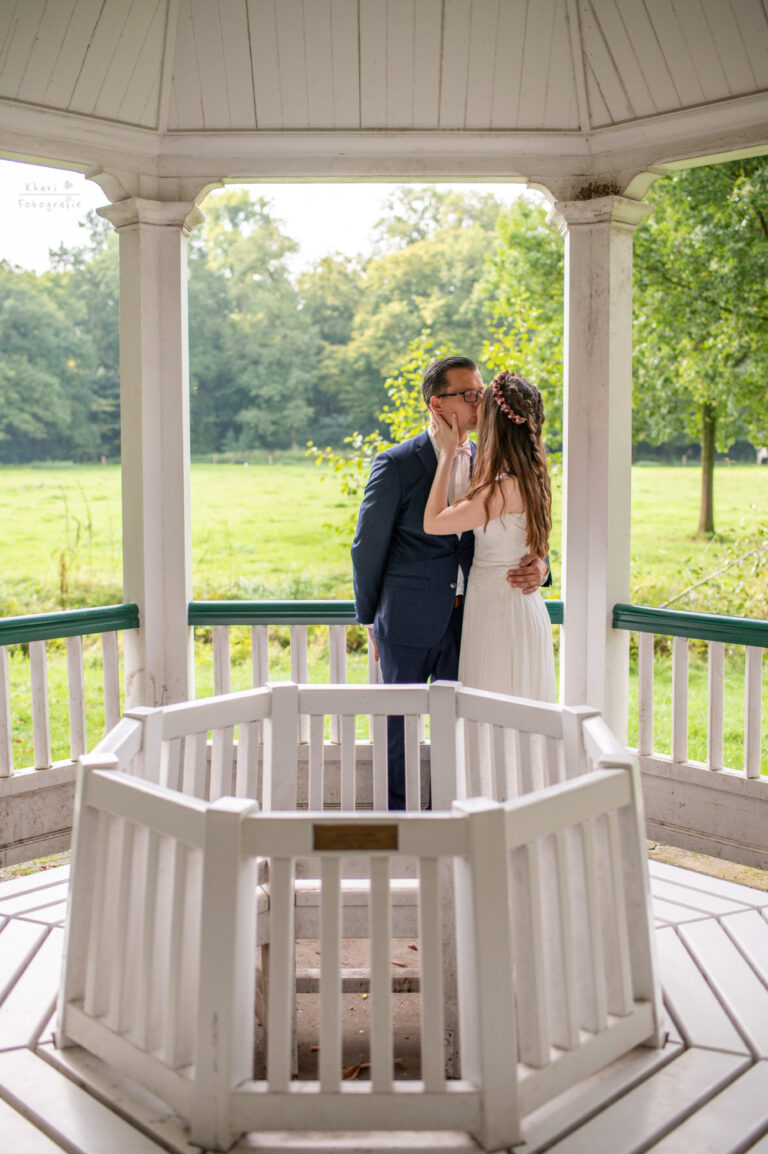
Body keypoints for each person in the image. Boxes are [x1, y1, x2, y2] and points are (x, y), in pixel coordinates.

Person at [351, 356, 549, 808]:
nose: (479, 402)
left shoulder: (493, 460)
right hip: (407, 619)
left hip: (474, 621)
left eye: (481, 392)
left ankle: (452, 813)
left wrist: (542, 567)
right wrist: (371, 619)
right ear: (437, 404)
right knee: (400, 730)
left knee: (464, 729)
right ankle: (402, 822)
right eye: (469, 394)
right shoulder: (397, 463)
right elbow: (366, 548)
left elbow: (519, 529)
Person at [423, 370, 556, 701]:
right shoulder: (529, 476)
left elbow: (434, 522)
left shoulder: (504, 488)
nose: (475, 406)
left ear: (495, 423)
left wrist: (447, 455)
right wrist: (541, 564)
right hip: (503, 603)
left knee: (495, 710)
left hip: (501, 610)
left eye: (481, 401)